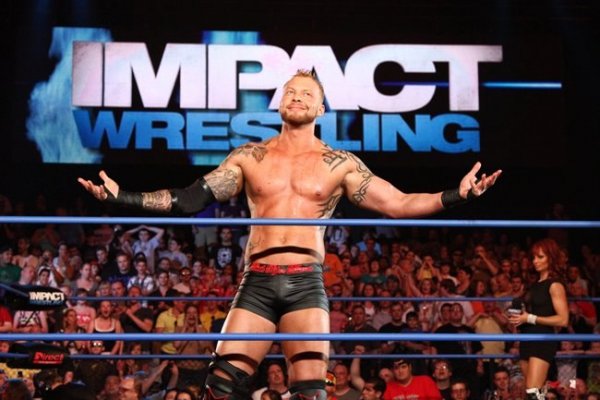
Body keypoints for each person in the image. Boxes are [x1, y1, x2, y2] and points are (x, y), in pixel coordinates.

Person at [78, 69, 501, 400]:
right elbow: (189, 200)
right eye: (290, 92)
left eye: (307, 94)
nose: (297, 97)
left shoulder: (340, 163)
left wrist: (457, 195)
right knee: (219, 385)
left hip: (305, 285)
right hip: (257, 283)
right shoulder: (250, 156)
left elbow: (399, 203)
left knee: (311, 391)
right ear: (280, 102)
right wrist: (123, 196)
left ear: (321, 109)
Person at [508, 238, 569, 400]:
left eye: (540, 257)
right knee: (534, 393)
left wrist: (530, 318)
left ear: (551, 258)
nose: (535, 261)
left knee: (533, 391)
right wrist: (520, 317)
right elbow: (532, 313)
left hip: (542, 339)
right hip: (527, 338)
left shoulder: (555, 285)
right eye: (534, 257)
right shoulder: (534, 284)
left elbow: (563, 319)